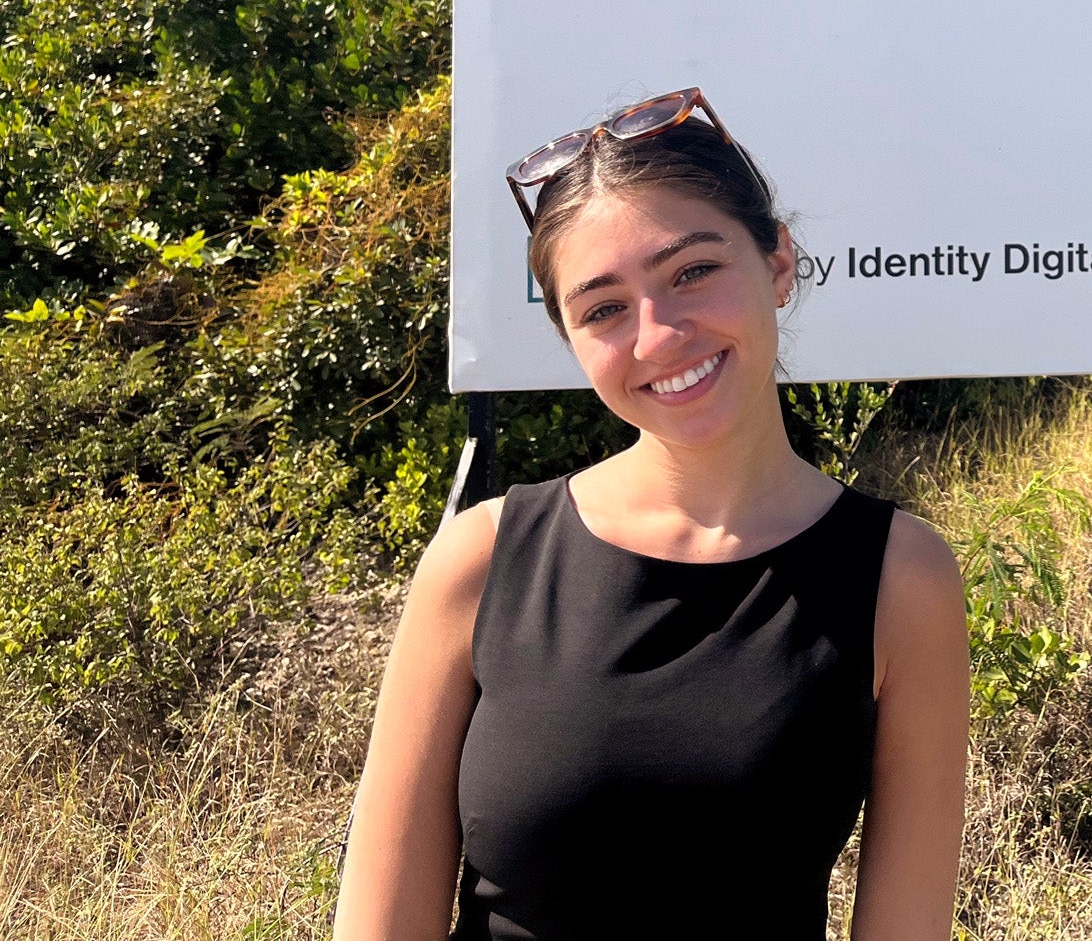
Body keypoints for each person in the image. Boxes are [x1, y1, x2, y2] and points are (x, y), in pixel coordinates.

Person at [334, 89, 968, 940]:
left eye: (693, 271)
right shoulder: (482, 561)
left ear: (778, 264)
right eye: (603, 309)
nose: (658, 335)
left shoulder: (900, 577)